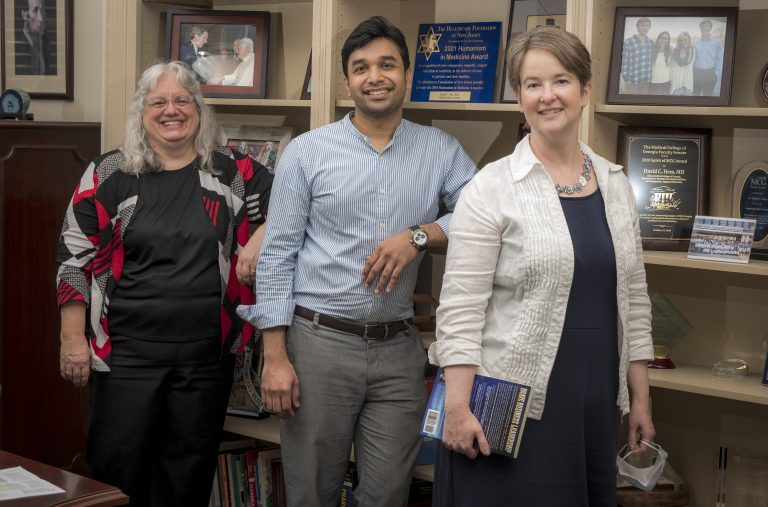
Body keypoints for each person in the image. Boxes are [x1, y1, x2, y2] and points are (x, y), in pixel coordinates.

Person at [236, 15, 477, 507]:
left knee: (388, 495)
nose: (375, 76)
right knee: (311, 493)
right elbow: (278, 255)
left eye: (387, 64)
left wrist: (419, 235)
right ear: (347, 80)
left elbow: (482, 215)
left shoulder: (440, 150)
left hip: (398, 351)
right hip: (317, 346)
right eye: (361, 67)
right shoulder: (306, 152)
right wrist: (276, 358)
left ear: (407, 75)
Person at [430, 27, 655, 506]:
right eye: (533, 84)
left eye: (561, 81)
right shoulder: (491, 187)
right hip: (509, 409)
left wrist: (640, 399)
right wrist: (455, 406)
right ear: (519, 98)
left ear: (586, 90)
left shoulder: (616, 185)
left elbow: (634, 300)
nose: (548, 96)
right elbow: (461, 309)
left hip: (594, 406)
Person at [56, 61, 273, 506]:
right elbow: (71, 256)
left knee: (188, 475)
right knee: (117, 472)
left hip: (206, 358)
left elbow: (289, 208)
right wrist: (71, 338)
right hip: (126, 356)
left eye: (181, 99)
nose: (171, 110)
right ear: (142, 112)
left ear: (198, 109)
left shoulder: (234, 171)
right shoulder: (109, 173)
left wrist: (256, 244)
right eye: (159, 101)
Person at [15, 0, 55, 75]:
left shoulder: (43, 43)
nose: (40, 19)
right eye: (35, 11)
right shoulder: (17, 49)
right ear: (24, 15)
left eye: (40, 11)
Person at [620, 17, 654, 95]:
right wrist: (626, 80)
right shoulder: (629, 42)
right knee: (630, 104)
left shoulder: (650, 43)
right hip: (632, 81)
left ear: (649, 27)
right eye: (642, 25)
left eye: (647, 25)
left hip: (646, 81)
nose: (645, 27)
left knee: (644, 104)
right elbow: (624, 62)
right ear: (638, 26)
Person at [692, 19, 723, 96]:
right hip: (697, 73)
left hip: (710, 73)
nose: (704, 28)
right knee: (695, 95)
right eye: (702, 26)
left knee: (708, 96)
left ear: (710, 28)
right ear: (700, 28)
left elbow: (720, 60)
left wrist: (716, 75)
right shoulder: (695, 43)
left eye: (707, 26)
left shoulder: (717, 42)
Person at [670, 31, 696, 95]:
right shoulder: (674, 52)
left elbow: (692, 66)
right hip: (677, 84)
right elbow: (671, 67)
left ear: (689, 40)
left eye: (685, 39)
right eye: (681, 40)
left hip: (688, 83)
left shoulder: (693, 51)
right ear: (679, 41)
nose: (683, 42)